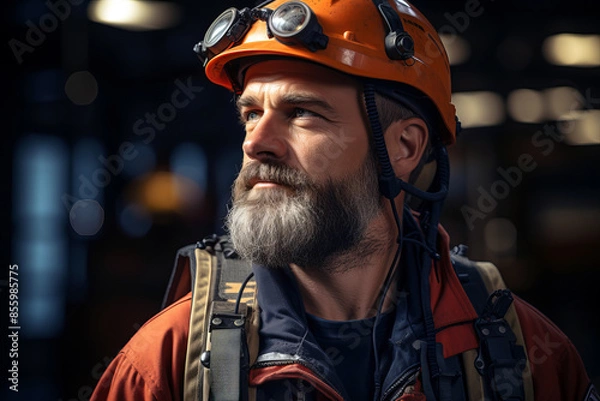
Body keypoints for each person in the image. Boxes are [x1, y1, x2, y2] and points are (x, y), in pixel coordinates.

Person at [91, 0, 596, 400]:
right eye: (251, 114)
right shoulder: (168, 362)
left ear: (404, 148)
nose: (255, 142)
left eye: (302, 113)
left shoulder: (525, 354)